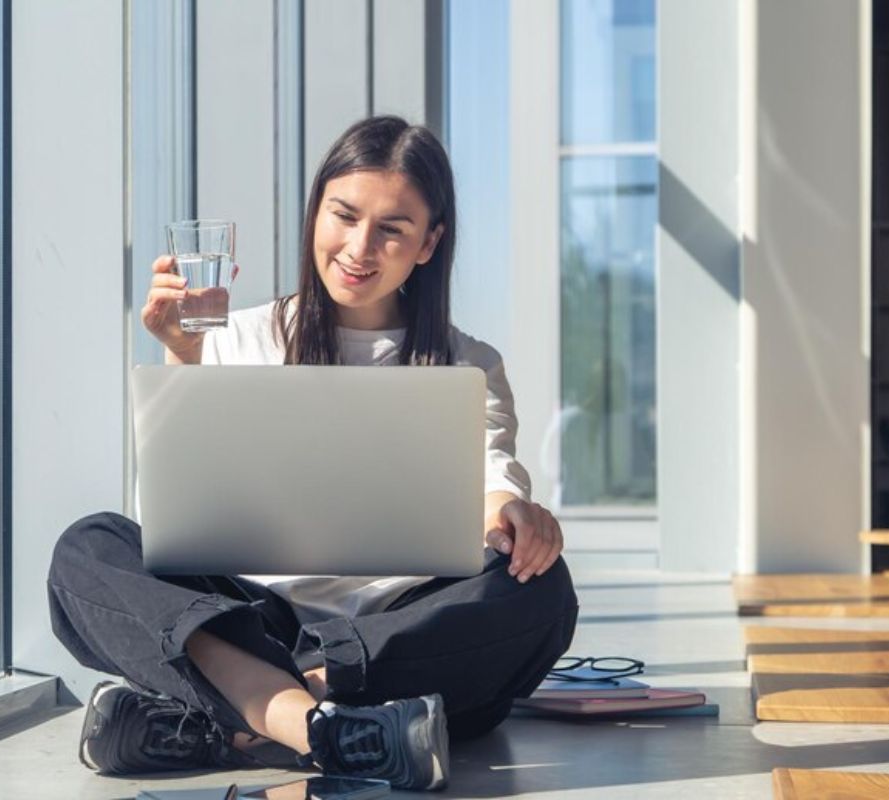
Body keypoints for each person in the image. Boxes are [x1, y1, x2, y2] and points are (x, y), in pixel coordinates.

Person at [47, 115, 579, 791]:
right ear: (315, 213)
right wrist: (183, 359)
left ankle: (243, 720)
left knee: (543, 590)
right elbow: (172, 522)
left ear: (428, 243)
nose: (360, 247)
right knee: (87, 546)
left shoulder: (466, 361)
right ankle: (335, 729)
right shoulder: (231, 336)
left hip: (395, 628)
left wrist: (515, 515)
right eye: (344, 215)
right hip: (252, 618)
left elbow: (490, 472)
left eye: (392, 228)